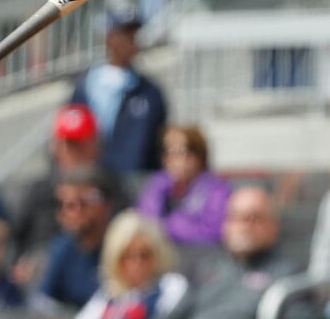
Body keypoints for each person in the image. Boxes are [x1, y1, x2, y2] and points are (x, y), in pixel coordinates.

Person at [191, 186, 318, 318]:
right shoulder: (206, 267)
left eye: (254, 218)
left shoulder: (290, 277)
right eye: (237, 217)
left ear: (274, 226)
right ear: (225, 225)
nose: (245, 226)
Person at [70, 10, 167, 175]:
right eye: (124, 35)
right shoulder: (86, 86)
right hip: (91, 179)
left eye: (133, 36)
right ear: (110, 39)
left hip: (134, 182)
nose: (130, 42)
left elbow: (157, 143)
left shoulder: (150, 93)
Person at [13, 104, 102, 268]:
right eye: (69, 144)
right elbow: (13, 238)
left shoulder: (111, 188)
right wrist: (19, 264)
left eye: (81, 144)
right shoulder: (38, 192)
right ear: (56, 146)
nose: (74, 152)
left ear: (95, 144)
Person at [77, 210, 188, 319]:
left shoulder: (171, 286)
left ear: (157, 255)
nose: (136, 263)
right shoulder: (107, 294)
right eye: (127, 256)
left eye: (144, 255)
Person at [35, 171, 119, 314]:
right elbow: (44, 302)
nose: (71, 212)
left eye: (81, 203)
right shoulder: (62, 249)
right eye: (64, 205)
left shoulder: (125, 247)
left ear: (105, 205)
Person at [137, 126, 232, 246]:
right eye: (169, 153)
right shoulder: (159, 183)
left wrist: (170, 225)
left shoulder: (217, 189)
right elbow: (144, 223)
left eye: (180, 152)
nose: (174, 160)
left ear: (200, 157)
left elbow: (214, 233)